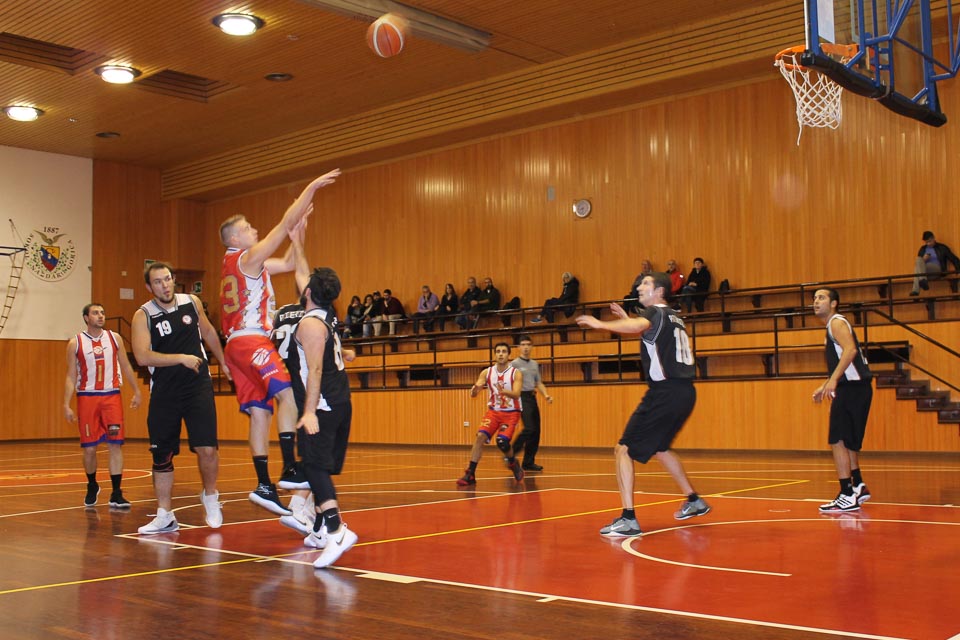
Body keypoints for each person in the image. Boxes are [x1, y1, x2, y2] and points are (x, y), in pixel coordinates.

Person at [219, 168, 339, 516]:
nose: (255, 231)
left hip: (234, 347)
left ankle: (263, 485)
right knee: (287, 394)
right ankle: (289, 468)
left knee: (260, 413)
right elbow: (283, 223)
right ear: (236, 237)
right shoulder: (247, 257)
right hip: (251, 339)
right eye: (249, 228)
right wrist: (310, 189)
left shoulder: (239, 264)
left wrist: (299, 232)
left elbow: (288, 261)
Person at [576, 272, 710, 537]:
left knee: (623, 449)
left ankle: (628, 519)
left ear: (659, 291)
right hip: (685, 392)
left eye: (646, 283)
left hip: (664, 393)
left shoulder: (655, 312)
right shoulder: (673, 317)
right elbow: (645, 330)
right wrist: (626, 320)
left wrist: (600, 324)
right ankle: (694, 500)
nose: (639, 287)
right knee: (660, 448)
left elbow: (641, 325)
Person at [132, 262, 231, 534]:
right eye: (158, 282)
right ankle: (164, 514)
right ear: (149, 287)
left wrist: (223, 361)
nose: (165, 285)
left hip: (197, 385)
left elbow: (208, 332)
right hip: (165, 391)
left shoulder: (192, 303)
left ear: (173, 279)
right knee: (162, 454)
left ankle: (210, 496)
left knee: (207, 448)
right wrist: (180, 358)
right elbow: (142, 356)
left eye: (167, 279)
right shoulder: (143, 315)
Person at [293, 268, 358, 568]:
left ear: (308, 292)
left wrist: (309, 411)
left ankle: (336, 530)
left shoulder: (310, 325)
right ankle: (319, 529)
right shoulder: (326, 315)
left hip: (324, 404)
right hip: (341, 400)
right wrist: (296, 245)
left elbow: (315, 370)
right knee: (320, 467)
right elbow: (305, 276)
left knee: (314, 465)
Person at [63, 303, 142, 508]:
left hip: (111, 397)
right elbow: (71, 375)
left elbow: (126, 365)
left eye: (102, 313)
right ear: (86, 318)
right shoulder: (75, 343)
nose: (100, 316)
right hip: (87, 398)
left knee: (115, 444)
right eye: (95, 313)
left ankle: (116, 492)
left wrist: (136, 390)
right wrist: (66, 404)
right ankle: (92, 484)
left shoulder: (114, 338)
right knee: (90, 449)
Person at [811, 287, 873, 512]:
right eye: (814, 298)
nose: (816, 302)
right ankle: (858, 485)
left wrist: (834, 380)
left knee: (837, 439)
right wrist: (827, 382)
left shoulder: (836, 323)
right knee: (846, 440)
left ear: (834, 303)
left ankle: (847, 493)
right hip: (856, 388)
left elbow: (850, 351)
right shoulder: (834, 325)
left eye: (821, 298)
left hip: (852, 389)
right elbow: (846, 360)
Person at [457, 342, 525, 486]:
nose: (500, 354)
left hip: (511, 413)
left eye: (504, 351)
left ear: (509, 355)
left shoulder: (516, 373)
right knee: (480, 436)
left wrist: (503, 391)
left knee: (502, 443)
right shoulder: (487, 372)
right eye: (498, 351)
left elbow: (516, 394)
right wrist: (474, 390)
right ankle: (470, 473)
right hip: (494, 412)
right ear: (494, 354)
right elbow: (477, 388)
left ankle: (513, 463)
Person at [509, 335, 553, 471]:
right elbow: (508, 381)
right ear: (518, 347)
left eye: (528, 344)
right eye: (523, 344)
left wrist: (546, 395)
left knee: (536, 431)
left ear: (532, 347)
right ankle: (510, 454)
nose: (526, 347)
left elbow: (538, 382)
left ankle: (528, 462)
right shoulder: (514, 364)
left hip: (532, 397)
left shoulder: (534, 364)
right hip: (521, 397)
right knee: (529, 428)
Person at [910, 230, 960, 295]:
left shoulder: (942, 247)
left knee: (918, 271)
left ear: (933, 238)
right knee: (918, 260)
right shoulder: (922, 249)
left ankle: (916, 290)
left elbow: (954, 258)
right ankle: (922, 281)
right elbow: (919, 264)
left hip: (937, 270)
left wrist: (958, 271)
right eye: (926, 242)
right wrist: (923, 260)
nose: (928, 244)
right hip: (925, 273)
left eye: (929, 241)